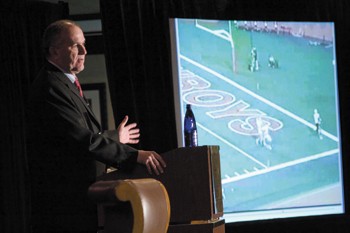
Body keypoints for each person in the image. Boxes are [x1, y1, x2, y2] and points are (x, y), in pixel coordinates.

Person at [26, 19, 166, 233]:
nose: (84, 50)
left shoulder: (64, 83)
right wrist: (134, 155)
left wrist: (114, 137)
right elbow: (80, 139)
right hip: (64, 207)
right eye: (76, 45)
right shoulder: (50, 86)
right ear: (54, 51)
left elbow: (79, 134)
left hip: (78, 203)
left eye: (84, 44)